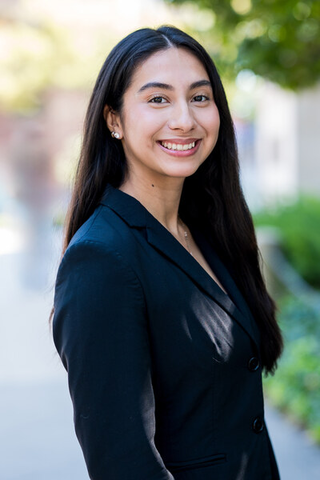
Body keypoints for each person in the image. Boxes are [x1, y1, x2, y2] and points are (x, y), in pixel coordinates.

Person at [52, 26, 283, 480]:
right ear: (113, 120)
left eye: (200, 97)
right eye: (158, 99)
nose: (184, 119)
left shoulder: (209, 228)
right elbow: (123, 462)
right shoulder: (102, 259)